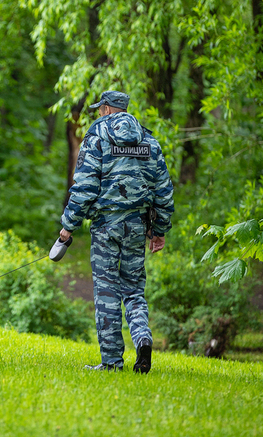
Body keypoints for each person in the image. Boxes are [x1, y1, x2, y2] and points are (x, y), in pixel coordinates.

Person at [59, 90, 174, 373]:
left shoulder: (96, 138)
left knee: (107, 290)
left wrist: (67, 228)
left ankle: (111, 362)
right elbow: (164, 192)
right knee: (134, 289)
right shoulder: (149, 142)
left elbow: (84, 188)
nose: (99, 113)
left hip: (106, 227)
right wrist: (158, 230)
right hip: (137, 226)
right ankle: (142, 337)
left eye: (100, 109)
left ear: (108, 109)